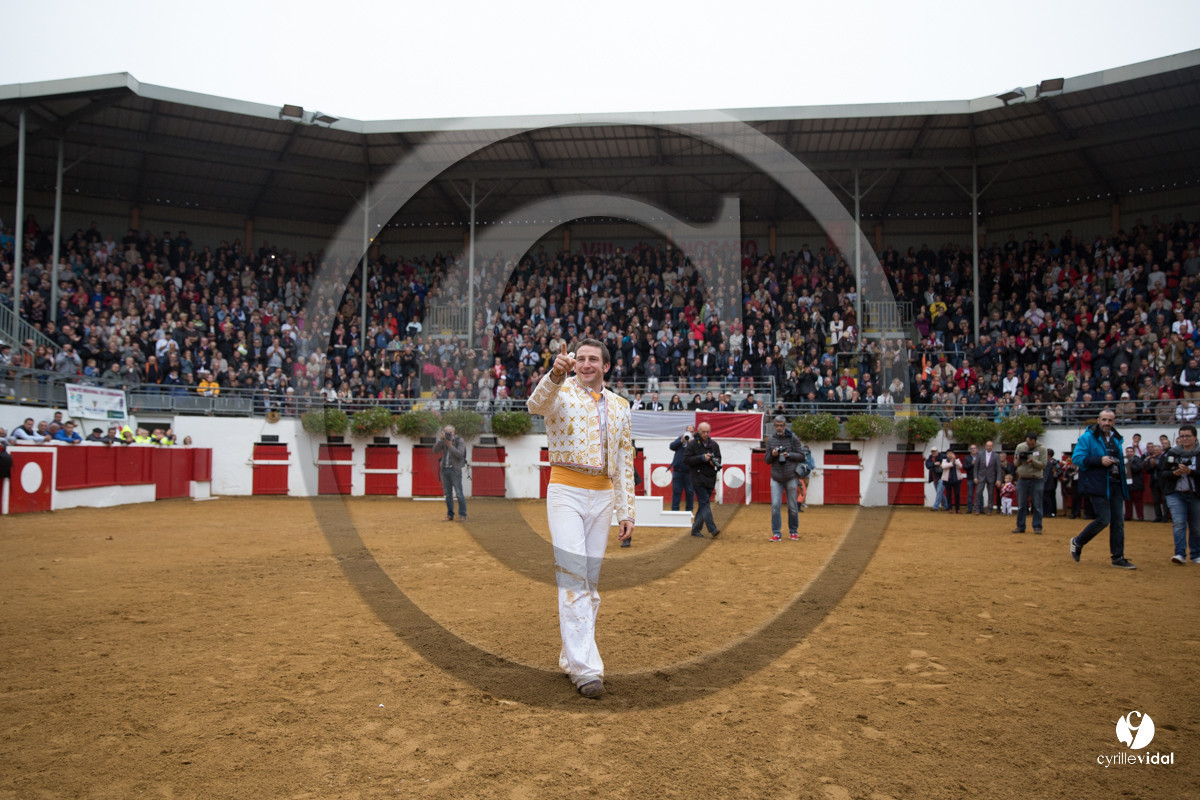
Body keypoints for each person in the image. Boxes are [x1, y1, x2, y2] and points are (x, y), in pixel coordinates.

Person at [527, 340, 635, 699]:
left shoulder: (620, 406)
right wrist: (554, 374)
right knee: (573, 577)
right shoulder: (560, 390)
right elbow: (535, 405)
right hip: (566, 491)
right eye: (580, 359)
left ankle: (571, 655)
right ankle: (587, 670)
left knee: (588, 584)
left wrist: (626, 510)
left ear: (606, 365)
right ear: (572, 363)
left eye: (593, 359)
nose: (586, 364)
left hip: (603, 497)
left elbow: (623, 461)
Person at [1070, 409, 1137, 569]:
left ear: (1114, 422)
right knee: (1104, 519)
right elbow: (1077, 458)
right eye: (1104, 420)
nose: (1107, 423)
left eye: (1110, 420)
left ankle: (1117, 557)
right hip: (1097, 484)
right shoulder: (1087, 437)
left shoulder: (1116, 439)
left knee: (1118, 522)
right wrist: (1099, 460)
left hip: (1115, 483)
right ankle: (1078, 541)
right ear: (1099, 421)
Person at [1157, 423, 1200, 564]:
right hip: (1175, 493)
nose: (1184, 439)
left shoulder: (1199, 454)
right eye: (1182, 436)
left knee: (1196, 526)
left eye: (1188, 436)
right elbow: (1162, 473)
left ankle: (1195, 554)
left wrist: (1191, 472)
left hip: (1196, 494)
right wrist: (1174, 473)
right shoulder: (1172, 453)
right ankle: (1180, 553)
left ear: (1195, 437)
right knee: (1179, 523)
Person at [764, 415, 806, 541]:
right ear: (774, 426)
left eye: (781, 425)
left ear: (785, 426)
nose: (779, 428)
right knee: (775, 505)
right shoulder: (770, 440)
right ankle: (776, 533)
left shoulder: (793, 438)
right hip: (776, 476)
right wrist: (773, 454)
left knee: (792, 506)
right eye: (777, 425)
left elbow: (802, 456)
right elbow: (767, 460)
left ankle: (793, 531)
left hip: (790, 475)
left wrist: (789, 455)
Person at [684, 421, 722, 539]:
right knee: (705, 502)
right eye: (703, 432)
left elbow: (719, 458)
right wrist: (701, 458)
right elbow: (686, 460)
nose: (705, 434)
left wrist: (714, 462)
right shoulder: (692, 444)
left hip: (710, 478)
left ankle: (696, 529)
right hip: (698, 478)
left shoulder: (714, 445)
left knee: (703, 504)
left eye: (707, 432)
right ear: (698, 432)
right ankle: (712, 528)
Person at [1012, 432, 1048, 534]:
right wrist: (1020, 459)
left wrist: (1032, 461)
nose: (1030, 445)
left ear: (1035, 441)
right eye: (1028, 443)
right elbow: (1015, 463)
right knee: (1021, 505)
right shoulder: (1020, 447)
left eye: (1032, 444)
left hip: (1036, 479)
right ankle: (1020, 526)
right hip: (1022, 479)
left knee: (1037, 505)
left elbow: (1043, 465)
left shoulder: (1042, 449)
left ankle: (1037, 527)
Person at [432, 424, 467, 522]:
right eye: (445, 432)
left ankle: (463, 515)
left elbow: (460, 455)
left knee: (459, 493)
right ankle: (450, 515)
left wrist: (450, 445)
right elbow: (434, 450)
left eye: (449, 432)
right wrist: (440, 440)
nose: (447, 434)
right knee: (448, 494)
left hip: (454, 470)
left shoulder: (460, 440)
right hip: (444, 469)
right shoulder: (443, 441)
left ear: (453, 432)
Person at [668, 424, 696, 513]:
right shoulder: (681, 439)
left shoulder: (695, 442)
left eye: (691, 431)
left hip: (690, 472)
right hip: (678, 471)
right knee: (676, 492)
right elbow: (672, 446)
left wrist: (691, 443)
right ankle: (675, 511)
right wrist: (681, 440)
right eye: (688, 431)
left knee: (690, 492)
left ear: (694, 432)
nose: (690, 433)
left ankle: (689, 511)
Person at [974, 439, 1003, 514]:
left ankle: (989, 509)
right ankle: (977, 509)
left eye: (990, 446)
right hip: (981, 476)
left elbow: (998, 468)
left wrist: (998, 479)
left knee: (991, 493)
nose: (989, 447)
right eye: (987, 446)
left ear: (992, 447)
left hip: (991, 477)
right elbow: (976, 467)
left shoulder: (996, 455)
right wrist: (975, 477)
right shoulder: (980, 454)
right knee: (978, 492)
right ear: (985, 446)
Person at [940, 449, 964, 513]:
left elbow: (960, 466)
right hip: (948, 480)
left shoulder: (957, 460)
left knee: (957, 494)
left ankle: (957, 509)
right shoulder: (944, 460)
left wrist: (954, 460)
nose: (949, 455)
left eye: (951, 453)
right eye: (948, 454)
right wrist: (951, 463)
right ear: (946, 455)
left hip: (956, 479)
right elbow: (944, 467)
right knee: (949, 495)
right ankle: (950, 508)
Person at [1042, 448, 1061, 518]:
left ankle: (1049, 512)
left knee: (1049, 498)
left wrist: (1044, 481)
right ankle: (1047, 512)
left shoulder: (1052, 462)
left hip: (1049, 482)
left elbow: (1047, 474)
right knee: (1046, 498)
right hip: (1049, 482)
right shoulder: (1046, 462)